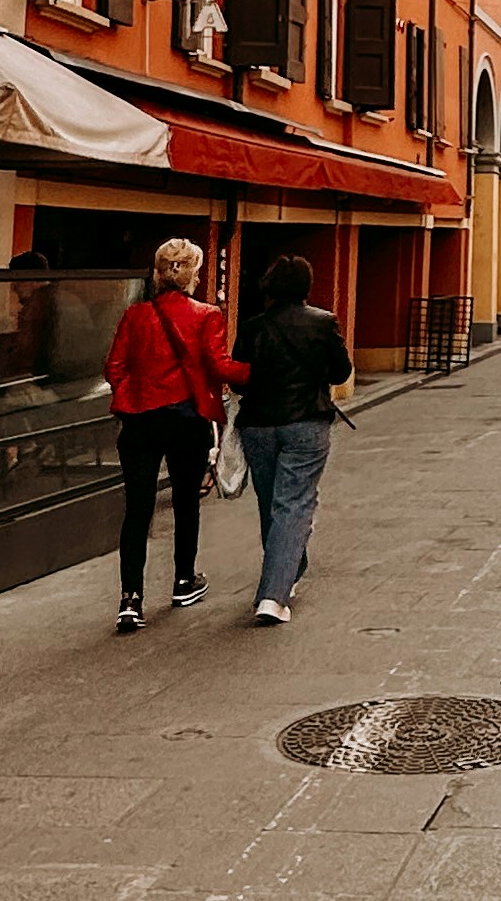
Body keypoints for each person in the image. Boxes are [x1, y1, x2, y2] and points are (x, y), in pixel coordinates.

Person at [103, 238, 242, 635]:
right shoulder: (207, 315)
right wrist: (256, 374)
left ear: (160, 273)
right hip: (186, 419)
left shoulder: (135, 315)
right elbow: (219, 366)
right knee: (186, 502)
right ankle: (184, 580)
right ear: (192, 275)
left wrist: (133, 397)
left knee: (138, 511)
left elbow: (114, 367)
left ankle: (131, 600)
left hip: (140, 421)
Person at [234, 248, 353, 623]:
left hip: (258, 426)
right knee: (294, 504)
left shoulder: (252, 327)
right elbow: (340, 372)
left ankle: (287, 572)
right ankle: (273, 595)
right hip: (305, 423)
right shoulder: (323, 323)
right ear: (306, 286)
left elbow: (242, 375)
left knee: (273, 503)